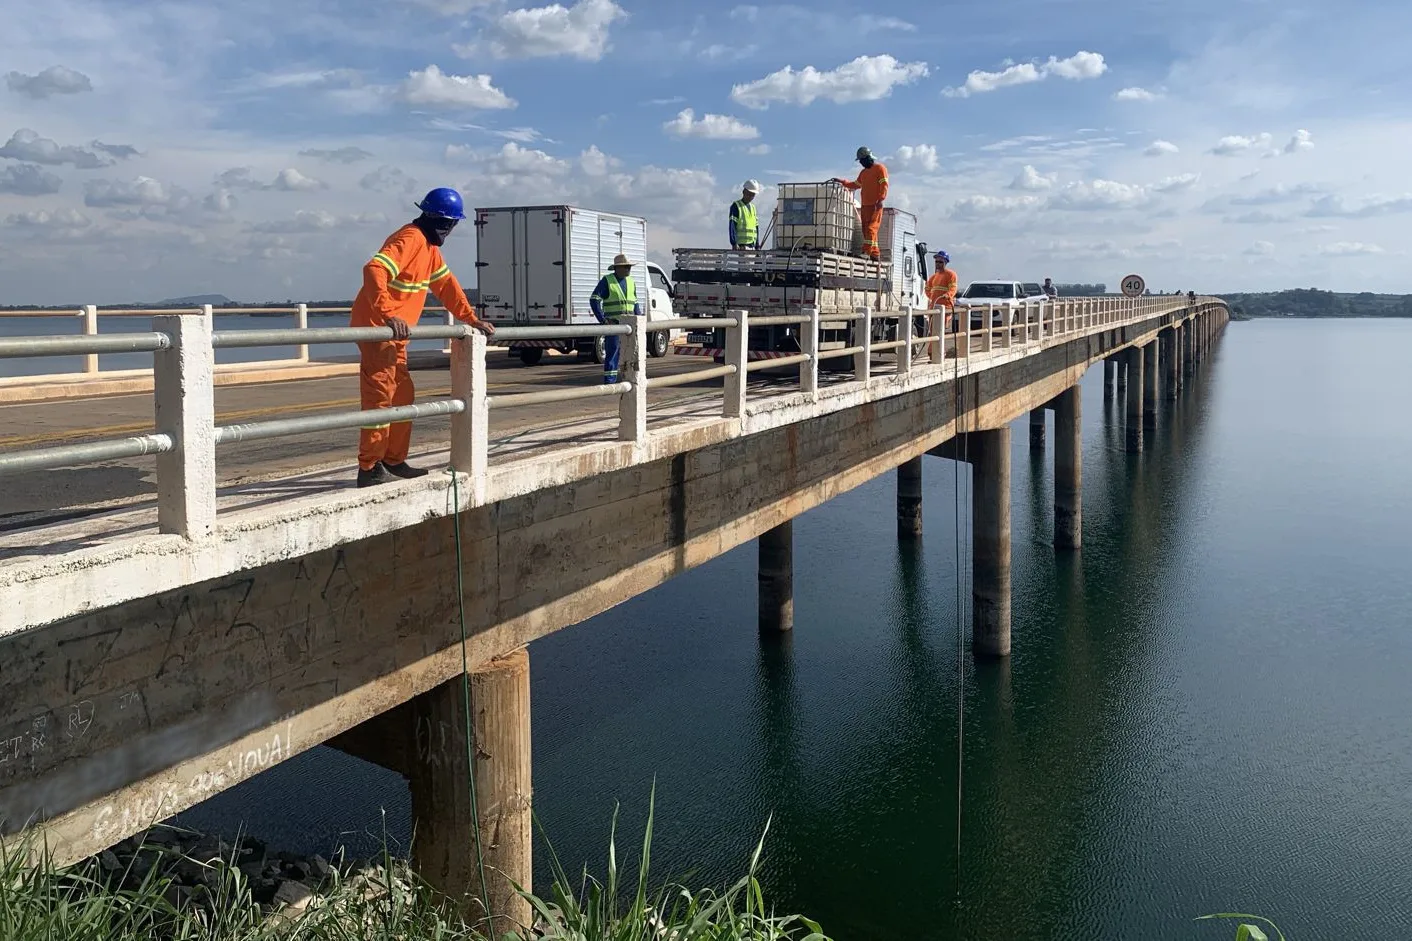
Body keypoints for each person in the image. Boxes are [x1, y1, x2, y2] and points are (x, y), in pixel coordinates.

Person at [351, 186, 495, 488]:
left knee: (402, 396)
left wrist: (471, 319)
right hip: (379, 330)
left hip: (394, 335)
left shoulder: (429, 250)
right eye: (450, 224)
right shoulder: (411, 238)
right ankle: (369, 467)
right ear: (446, 222)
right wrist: (389, 313)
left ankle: (392, 459)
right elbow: (374, 269)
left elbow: (447, 286)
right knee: (380, 398)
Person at [589, 254, 642, 384]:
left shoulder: (631, 282)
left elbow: (635, 302)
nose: (629, 269)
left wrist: (639, 319)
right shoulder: (607, 281)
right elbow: (594, 299)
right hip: (614, 325)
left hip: (630, 326)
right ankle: (610, 382)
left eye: (629, 267)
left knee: (632, 353)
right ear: (617, 268)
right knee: (613, 354)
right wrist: (603, 320)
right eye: (626, 267)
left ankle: (629, 380)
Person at [832, 146, 889, 260]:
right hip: (865, 206)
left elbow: (884, 185)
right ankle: (874, 253)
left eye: (862, 160)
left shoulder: (880, 168)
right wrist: (843, 182)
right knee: (866, 229)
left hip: (875, 205)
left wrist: (881, 199)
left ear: (868, 158)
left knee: (871, 229)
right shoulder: (863, 173)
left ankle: (867, 252)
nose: (861, 163)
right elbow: (856, 185)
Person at [925, 250, 959, 347]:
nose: (938, 264)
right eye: (936, 262)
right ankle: (932, 352)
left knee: (939, 330)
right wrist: (931, 296)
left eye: (940, 262)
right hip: (934, 307)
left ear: (945, 262)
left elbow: (953, 288)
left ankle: (939, 353)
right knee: (932, 331)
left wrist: (947, 295)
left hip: (945, 307)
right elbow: (927, 288)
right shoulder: (934, 277)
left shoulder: (951, 274)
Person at [730, 180, 761, 249]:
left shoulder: (753, 208)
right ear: (744, 192)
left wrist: (757, 245)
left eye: (753, 194)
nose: (751, 196)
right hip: (742, 246)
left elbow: (756, 228)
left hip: (752, 246)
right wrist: (734, 243)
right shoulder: (736, 206)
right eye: (749, 194)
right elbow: (732, 225)